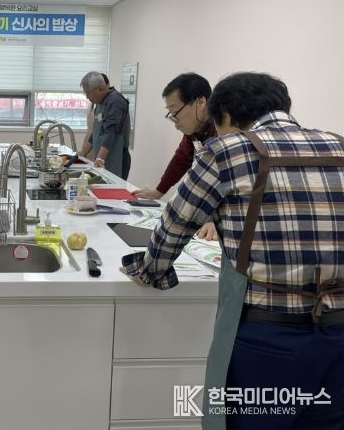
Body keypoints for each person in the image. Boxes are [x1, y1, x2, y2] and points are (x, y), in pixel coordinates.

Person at [121, 72, 344, 429]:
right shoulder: (338, 145)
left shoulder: (226, 150)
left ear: (224, 116)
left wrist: (150, 271)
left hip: (269, 336)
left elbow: (175, 225)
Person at [132, 73, 218, 240]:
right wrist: (159, 191)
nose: (175, 121)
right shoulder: (195, 131)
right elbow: (181, 159)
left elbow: (238, 180)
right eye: (170, 113)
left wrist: (218, 220)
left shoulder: (225, 129)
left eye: (175, 111)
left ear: (201, 102)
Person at [76, 71, 131, 179]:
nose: (87, 97)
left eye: (88, 93)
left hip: (116, 158)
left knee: (113, 188)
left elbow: (110, 132)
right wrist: (82, 154)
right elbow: (96, 132)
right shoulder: (100, 102)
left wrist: (100, 159)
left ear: (100, 89)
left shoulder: (115, 101)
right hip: (104, 158)